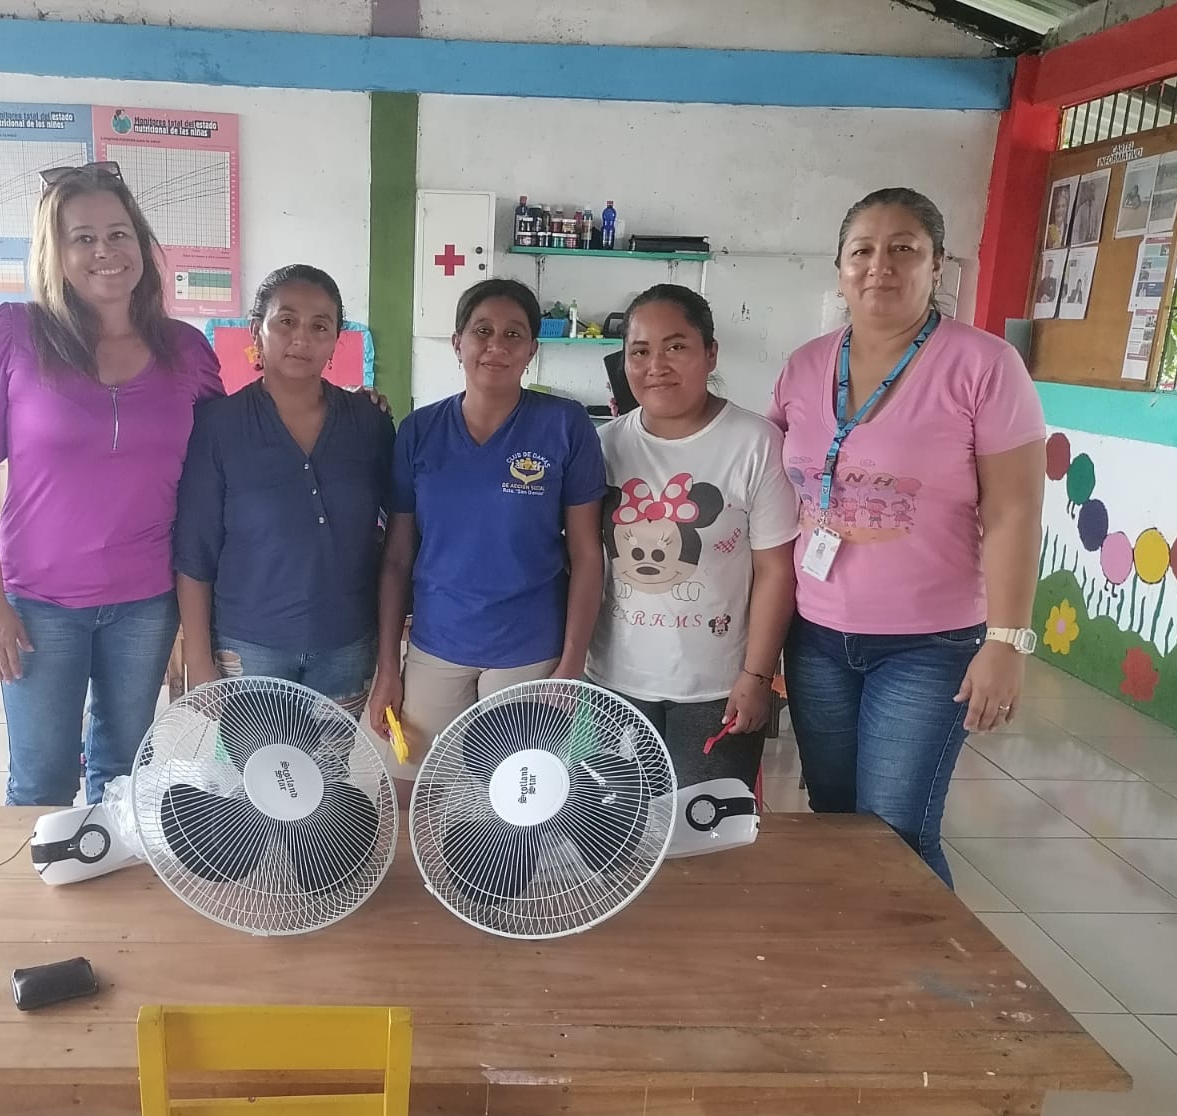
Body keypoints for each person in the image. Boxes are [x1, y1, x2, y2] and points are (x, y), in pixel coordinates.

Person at [768, 187, 1046, 885]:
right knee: (834, 817)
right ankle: (848, 948)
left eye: (904, 249)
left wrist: (1007, 641)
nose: (879, 266)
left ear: (937, 264)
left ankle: (923, 959)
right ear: (839, 268)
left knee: (897, 834)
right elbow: (769, 496)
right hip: (815, 638)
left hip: (930, 645)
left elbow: (1014, 511)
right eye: (862, 250)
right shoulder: (803, 366)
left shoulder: (984, 366)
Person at [0, 162, 223, 806]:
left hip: (146, 599)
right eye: (84, 238)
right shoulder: (13, 334)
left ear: (141, 244)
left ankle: (107, 870)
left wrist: (343, 405)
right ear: (57, 253)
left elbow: (231, 451)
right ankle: (42, 875)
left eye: (119, 234)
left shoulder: (185, 349)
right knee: (41, 780)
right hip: (38, 603)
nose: (106, 251)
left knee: (124, 778)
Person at [367, 278, 606, 773]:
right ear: (458, 343)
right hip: (438, 642)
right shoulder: (419, 431)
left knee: (515, 798)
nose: (497, 345)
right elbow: (397, 559)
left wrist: (571, 664)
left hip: (531, 650)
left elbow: (587, 556)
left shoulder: (566, 426)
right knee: (414, 788)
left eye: (513, 334)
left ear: (532, 349)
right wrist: (388, 666)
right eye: (482, 331)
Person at [586, 285, 798, 791]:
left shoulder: (756, 443)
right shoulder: (602, 445)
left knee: (706, 828)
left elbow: (775, 571)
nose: (656, 365)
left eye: (676, 346)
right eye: (640, 351)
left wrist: (757, 677)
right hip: (613, 684)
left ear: (711, 353)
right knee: (613, 824)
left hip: (718, 688)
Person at [175, 265, 395, 714]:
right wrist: (198, 660)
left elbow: (397, 533)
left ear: (336, 340)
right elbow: (195, 550)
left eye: (320, 326)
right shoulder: (219, 426)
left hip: (346, 644)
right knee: (255, 761)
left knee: (330, 761)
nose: (302, 338)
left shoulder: (368, 424)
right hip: (248, 645)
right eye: (287, 321)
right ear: (257, 331)